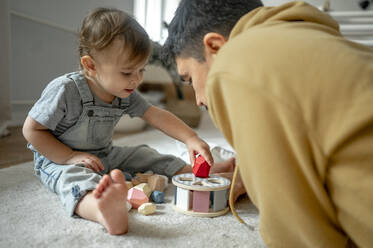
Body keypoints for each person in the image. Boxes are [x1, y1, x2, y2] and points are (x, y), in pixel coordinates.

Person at [162, 0, 373, 247]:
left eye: (189, 79)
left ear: (216, 47)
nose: (198, 100)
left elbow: (298, 233)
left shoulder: (236, 64)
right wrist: (250, 177)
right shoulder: (308, 40)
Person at [22, 7, 234, 235]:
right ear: (90, 65)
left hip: (104, 154)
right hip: (58, 160)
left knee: (145, 153)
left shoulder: (125, 94)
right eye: (127, 72)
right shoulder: (65, 90)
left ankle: (192, 173)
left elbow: (156, 115)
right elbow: (32, 130)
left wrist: (190, 138)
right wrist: (70, 156)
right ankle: (101, 210)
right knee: (74, 179)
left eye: (141, 70)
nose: (136, 79)